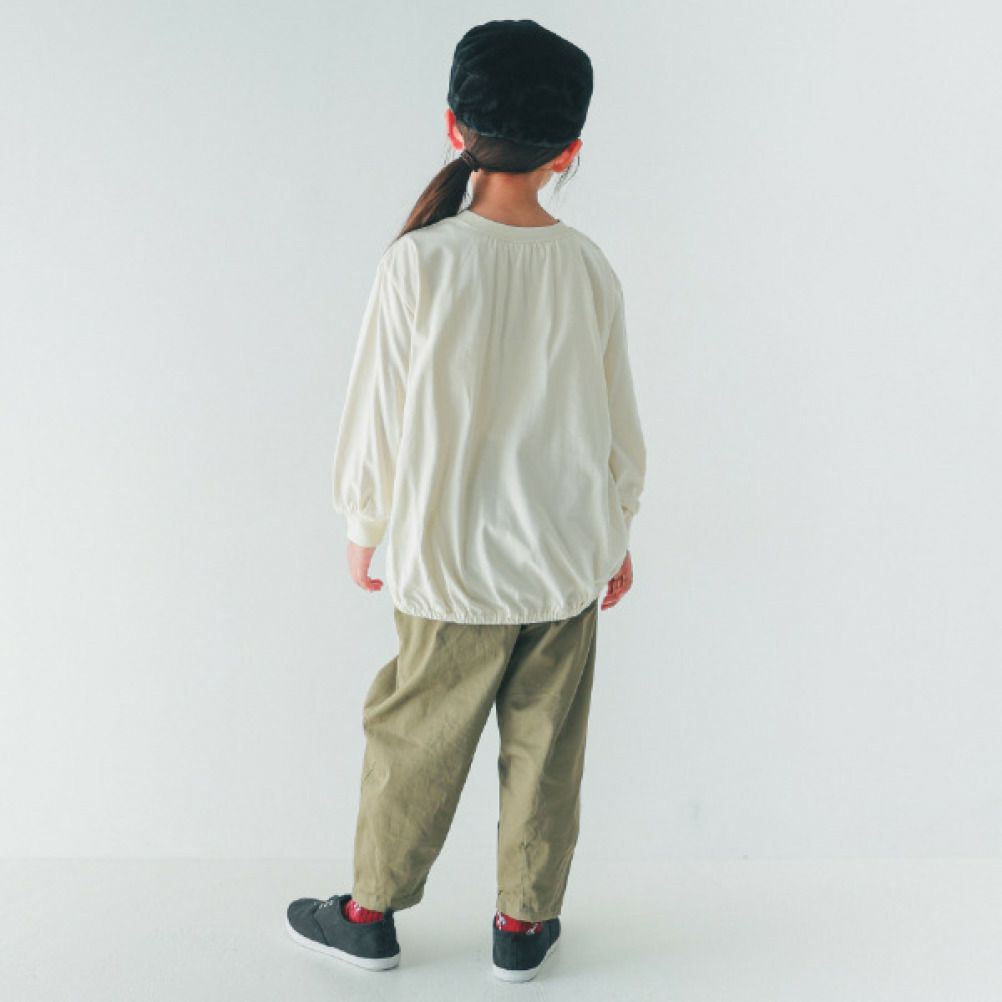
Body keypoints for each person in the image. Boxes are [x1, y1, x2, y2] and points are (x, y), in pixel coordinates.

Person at [286, 17, 647, 982]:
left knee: (413, 737)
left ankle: (369, 915)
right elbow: (617, 419)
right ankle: (523, 926)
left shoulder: (419, 262)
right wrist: (616, 530)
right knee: (547, 750)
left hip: (447, 560)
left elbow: (376, 409)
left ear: (454, 128)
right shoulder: (587, 266)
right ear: (570, 149)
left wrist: (364, 522)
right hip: (563, 560)